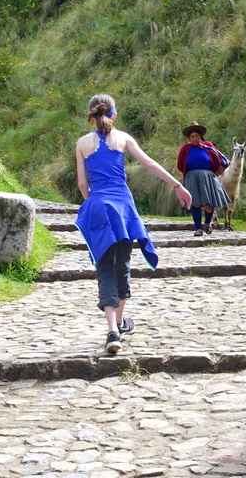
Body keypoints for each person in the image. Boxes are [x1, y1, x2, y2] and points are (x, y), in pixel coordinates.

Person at [75, 94, 192, 355]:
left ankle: (112, 330)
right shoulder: (124, 139)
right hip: (123, 207)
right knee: (123, 265)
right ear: (114, 114)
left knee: (104, 266)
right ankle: (120, 322)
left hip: (99, 205)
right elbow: (149, 163)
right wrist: (177, 185)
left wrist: (94, 203)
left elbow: (83, 185)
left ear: (91, 115)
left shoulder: (82, 143)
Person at [176, 122, 231, 236]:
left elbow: (217, 162)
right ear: (189, 138)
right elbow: (180, 165)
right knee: (194, 203)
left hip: (208, 178)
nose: (195, 138)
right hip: (191, 178)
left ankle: (207, 224)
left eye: (197, 136)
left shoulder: (208, 148)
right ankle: (198, 228)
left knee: (209, 203)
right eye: (192, 136)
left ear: (200, 137)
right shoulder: (185, 149)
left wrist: (214, 172)